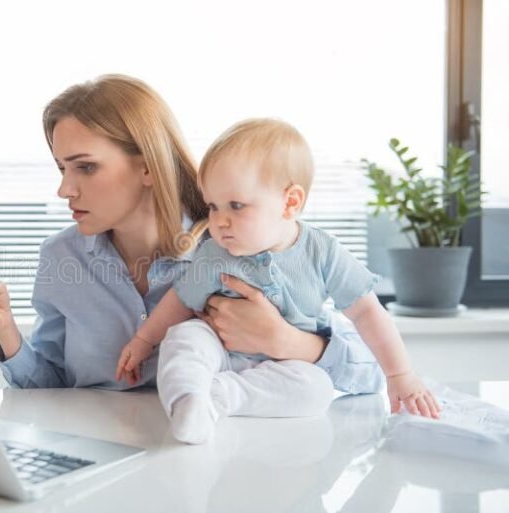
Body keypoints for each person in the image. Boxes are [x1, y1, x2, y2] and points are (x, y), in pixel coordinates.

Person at [0, 75, 382, 400]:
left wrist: (288, 343)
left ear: (148, 165)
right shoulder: (60, 257)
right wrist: (4, 329)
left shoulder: (236, 243)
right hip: (104, 461)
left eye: (85, 167)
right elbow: (54, 390)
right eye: (61, 168)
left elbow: (370, 376)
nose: (65, 189)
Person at [115, 118, 440, 444]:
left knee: (316, 389)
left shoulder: (323, 251)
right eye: (213, 207)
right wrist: (144, 340)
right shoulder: (215, 253)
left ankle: (216, 397)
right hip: (220, 349)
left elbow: (368, 313)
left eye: (236, 206)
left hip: (284, 364)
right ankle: (186, 400)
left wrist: (400, 375)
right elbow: (181, 300)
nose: (219, 221)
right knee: (185, 338)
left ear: (290, 202)